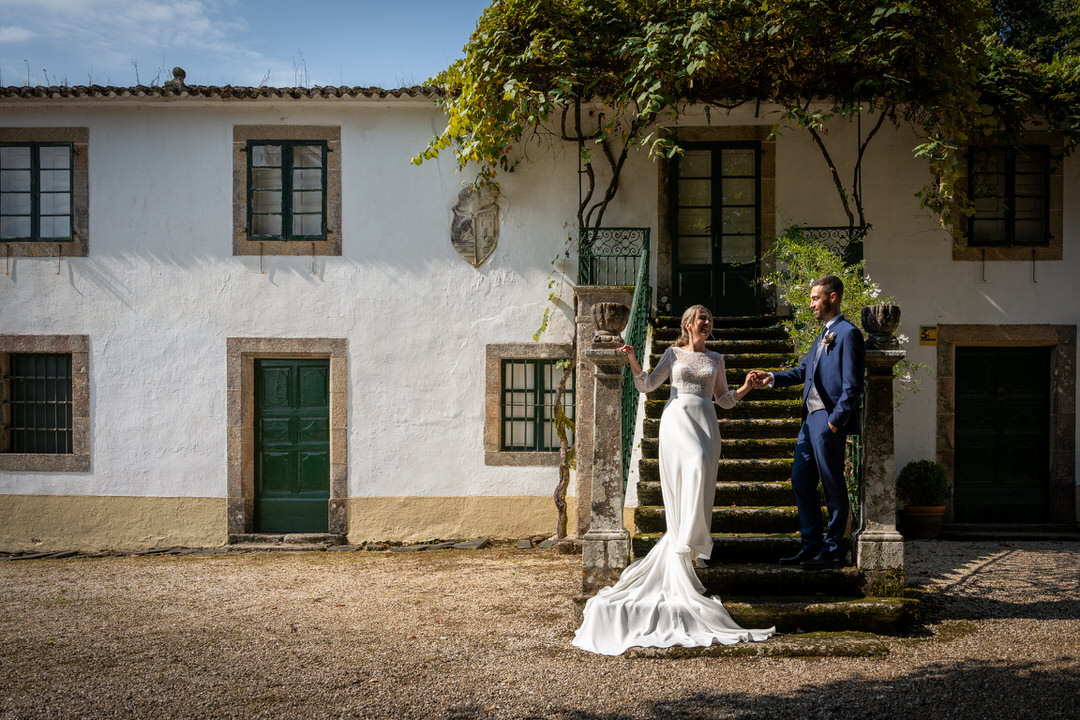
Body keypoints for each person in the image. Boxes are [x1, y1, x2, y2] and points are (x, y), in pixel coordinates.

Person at [572, 305, 775, 655]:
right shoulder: (672, 353)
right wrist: (634, 360)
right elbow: (649, 385)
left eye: (710, 319)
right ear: (687, 325)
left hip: (707, 422)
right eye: (702, 319)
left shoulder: (716, 358)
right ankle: (687, 543)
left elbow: (724, 401)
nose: (707, 323)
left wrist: (746, 387)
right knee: (693, 467)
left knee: (701, 482)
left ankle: (692, 548)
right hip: (677, 420)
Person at [748, 275, 865, 569]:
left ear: (832, 297)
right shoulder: (821, 335)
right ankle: (810, 545)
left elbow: (853, 385)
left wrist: (836, 422)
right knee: (801, 481)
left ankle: (833, 548)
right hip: (809, 421)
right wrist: (771, 377)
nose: (811, 303)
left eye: (815, 298)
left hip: (827, 420)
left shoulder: (848, 333)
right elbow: (803, 372)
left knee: (832, 485)